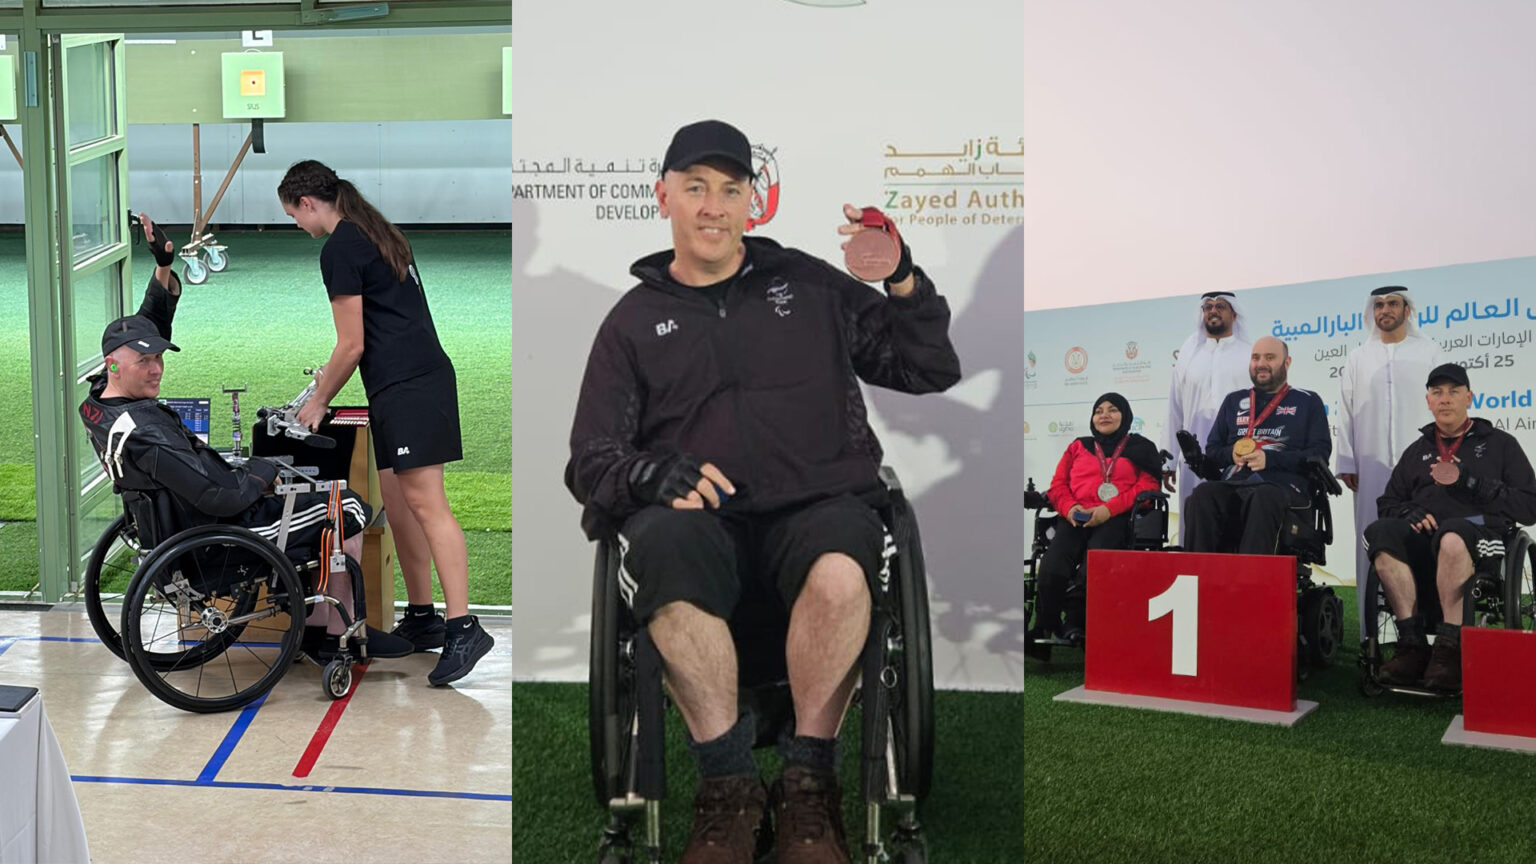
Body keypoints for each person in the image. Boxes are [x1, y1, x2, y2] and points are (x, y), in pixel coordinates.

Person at [565, 119, 960, 864]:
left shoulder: (810, 287)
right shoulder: (633, 322)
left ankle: (810, 785)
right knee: (660, 552)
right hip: (700, 522)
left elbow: (926, 366)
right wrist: (649, 473)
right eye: (696, 188)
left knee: (846, 571)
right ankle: (730, 792)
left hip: (815, 504)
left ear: (753, 203)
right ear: (664, 198)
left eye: (730, 189)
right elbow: (592, 458)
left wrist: (902, 276)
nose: (713, 206)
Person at [78, 214, 413, 661]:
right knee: (346, 504)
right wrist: (261, 469)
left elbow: (144, 331)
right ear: (116, 364)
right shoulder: (147, 434)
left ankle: (325, 621)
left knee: (308, 495)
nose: (156, 367)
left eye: (159, 357)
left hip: (172, 522)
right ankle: (334, 632)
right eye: (146, 363)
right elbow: (219, 495)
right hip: (220, 531)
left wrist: (163, 265)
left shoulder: (102, 400)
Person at [278, 160, 493, 686]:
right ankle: (422, 617)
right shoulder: (373, 229)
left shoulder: (340, 248)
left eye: (294, 216)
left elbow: (352, 343)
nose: (298, 226)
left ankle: (464, 626)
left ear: (309, 203)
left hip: (413, 388)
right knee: (398, 506)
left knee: (426, 504)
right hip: (402, 387)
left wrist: (318, 401)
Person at [1364, 363, 1536, 690]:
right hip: (1426, 541)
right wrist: (1408, 511)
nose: (1445, 399)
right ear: (1428, 401)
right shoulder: (1416, 452)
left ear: (1469, 397)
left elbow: (1529, 506)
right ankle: (1412, 645)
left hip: (1477, 537)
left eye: (1453, 391)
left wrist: (1471, 482)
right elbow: (1387, 502)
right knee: (1382, 533)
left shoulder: (1501, 444)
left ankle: (1448, 649)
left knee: (1453, 536)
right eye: (1437, 392)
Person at [1337, 286, 1440, 627]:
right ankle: (1374, 632)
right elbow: (1346, 413)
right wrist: (1347, 462)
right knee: (1371, 537)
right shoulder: (1358, 358)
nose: (1385, 310)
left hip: (1424, 465)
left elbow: (1444, 407)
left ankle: (1428, 626)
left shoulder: (1429, 352)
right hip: (1371, 467)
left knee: (1426, 536)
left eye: (1392, 304)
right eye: (1379, 305)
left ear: (1406, 310)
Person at [1028, 393, 1161, 645]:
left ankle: (1076, 621)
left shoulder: (1141, 448)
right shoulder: (1078, 446)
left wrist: (1107, 510)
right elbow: (1058, 486)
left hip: (1117, 518)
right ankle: (1046, 624)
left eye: (1112, 410)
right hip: (1075, 516)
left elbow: (1147, 487)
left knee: (1098, 556)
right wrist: (1070, 509)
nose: (1104, 415)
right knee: (1054, 560)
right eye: (1099, 410)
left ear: (1125, 415)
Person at [1182, 336, 1331, 554]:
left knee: (1263, 497)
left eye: (1270, 357)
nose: (1261, 363)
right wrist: (1231, 455)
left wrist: (1270, 458)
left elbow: (1320, 453)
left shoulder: (1307, 401)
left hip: (1284, 486)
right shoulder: (1234, 401)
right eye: (1255, 357)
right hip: (1236, 483)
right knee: (1202, 495)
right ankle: (1199, 578)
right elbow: (1213, 450)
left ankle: (1252, 582)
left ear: (1287, 363)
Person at [1165, 291, 1253, 544]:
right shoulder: (1189, 356)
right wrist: (1169, 460)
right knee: (1195, 517)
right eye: (1208, 307)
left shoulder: (1249, 355)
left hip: (1237, 451)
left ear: (1234, 314)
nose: (1213, 311)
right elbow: (1175, 409)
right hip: (1194, 452)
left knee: (1235, 519)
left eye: (1221, 306)